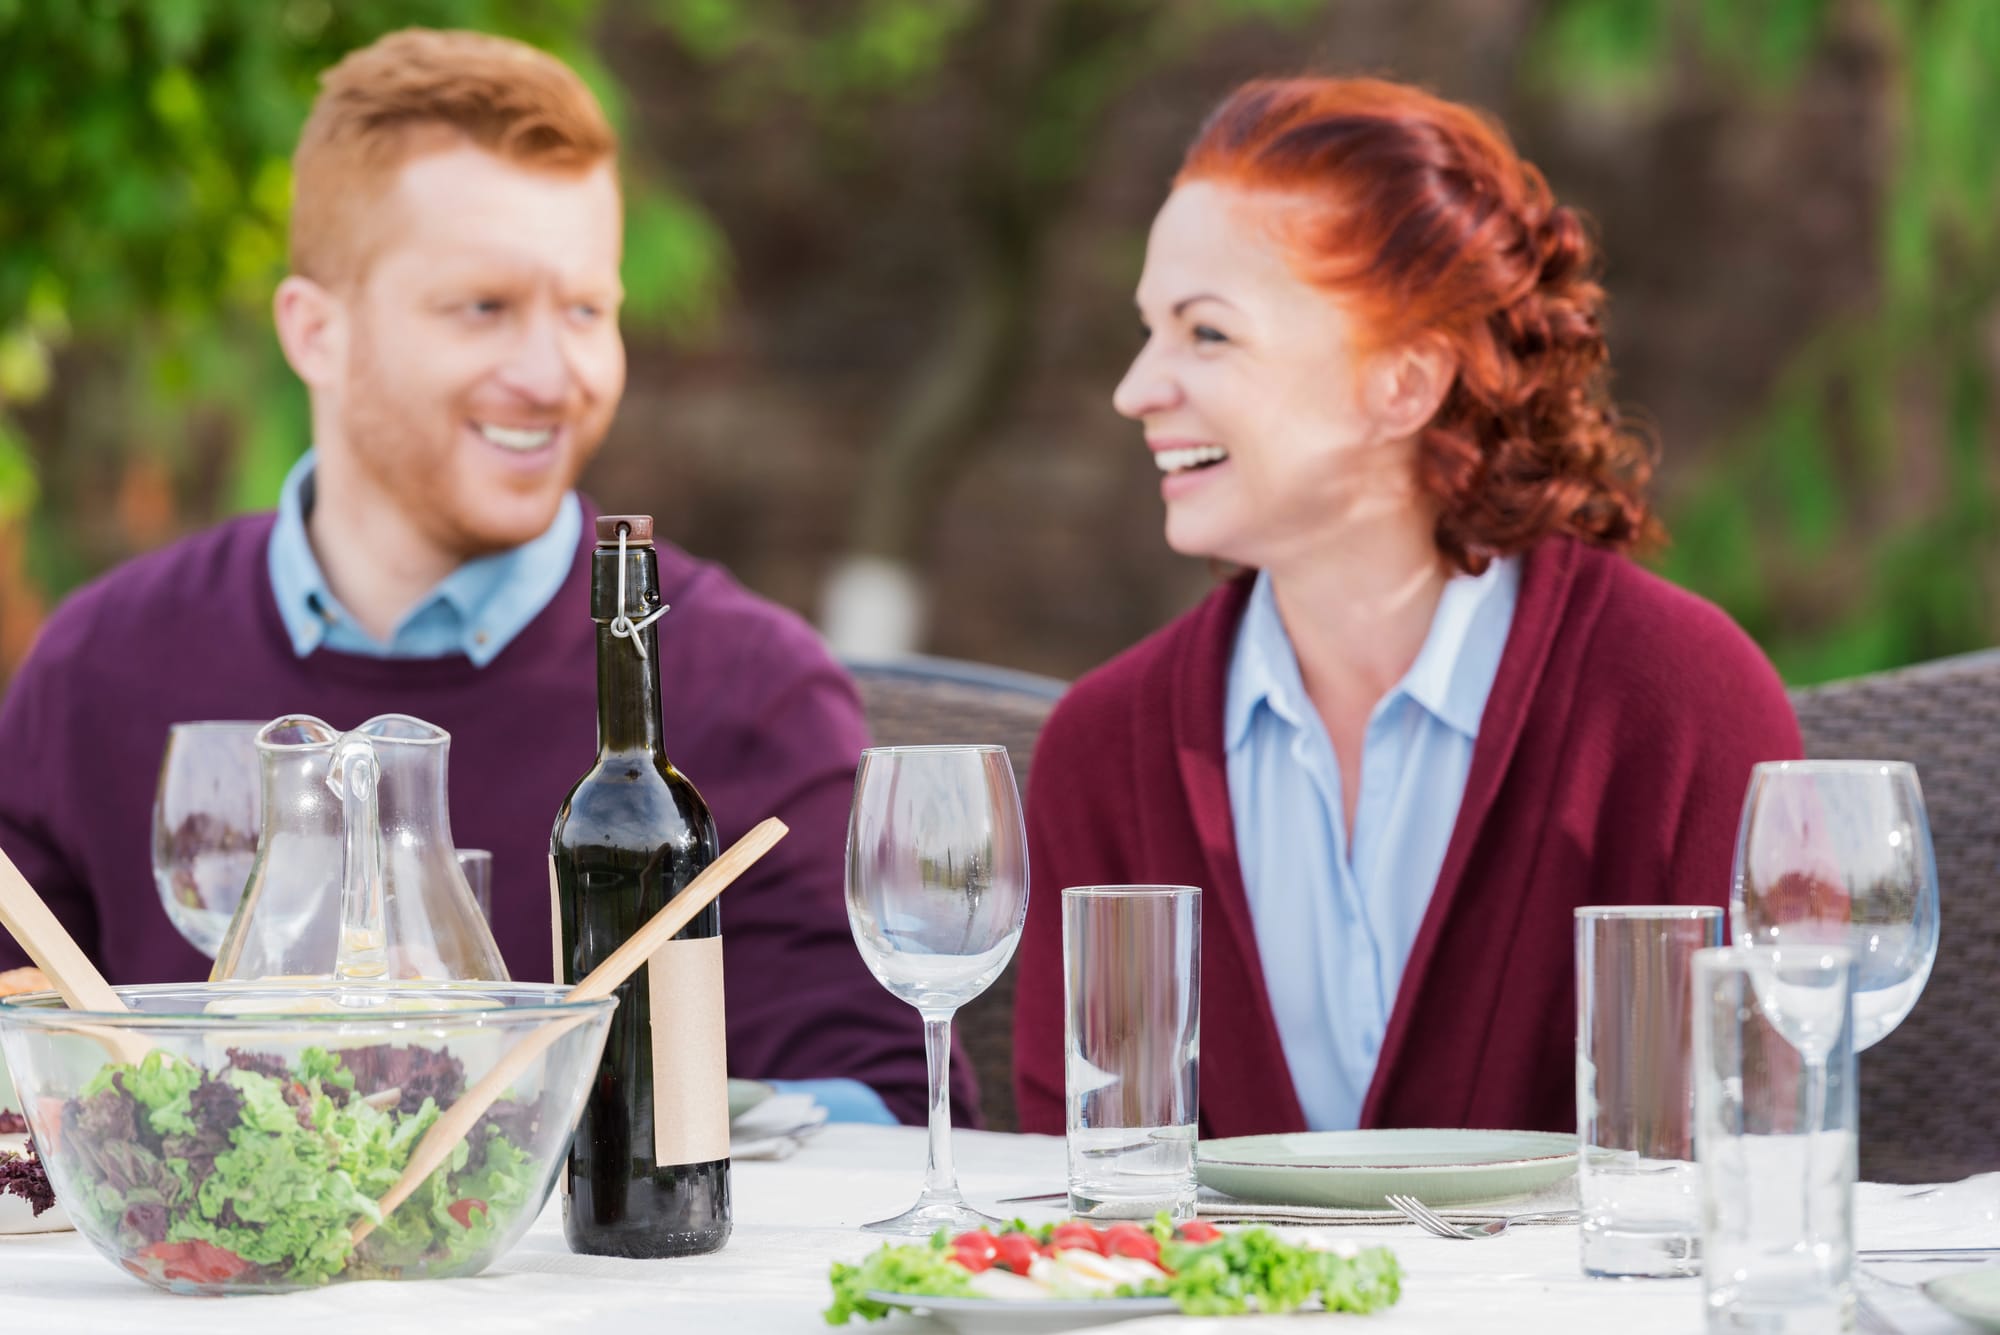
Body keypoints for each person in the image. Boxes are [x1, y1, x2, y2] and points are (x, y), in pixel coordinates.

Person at [0, 29, 968, 1127]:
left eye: (587, 311)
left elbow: (887, 1114)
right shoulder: (101, 665)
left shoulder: (741, 687)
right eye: (484, 308)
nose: (556, 376)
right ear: (315, 332)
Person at [1011, 77, 1801, 1138]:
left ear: (1404, 380)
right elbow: (1085, 1223)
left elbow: (1755, 1165)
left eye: (1205, 335)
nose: (1135, 387)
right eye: (1148, 328)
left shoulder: (1679, 708)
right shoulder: (1101, 755)